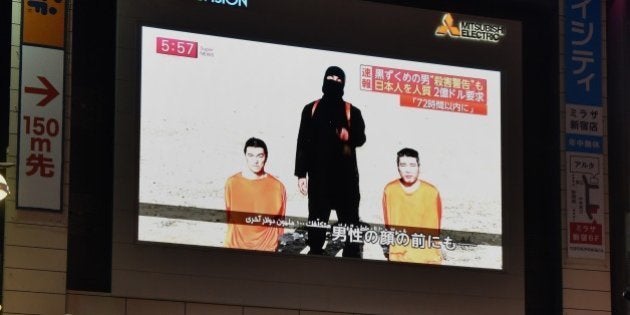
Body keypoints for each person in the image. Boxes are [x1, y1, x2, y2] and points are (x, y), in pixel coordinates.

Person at [294, 66, 366, 257]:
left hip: (346, 179)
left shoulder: (352, 111)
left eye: (338, 79)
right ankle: (316, 254)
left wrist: (348, 135)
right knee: (317, 222)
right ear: (324, 80)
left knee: (350, 222)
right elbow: (303, 142)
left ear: (343, 83)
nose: (333, 81)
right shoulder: (310, 109)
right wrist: (301, 174)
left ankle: (351, 259)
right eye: (330, 77)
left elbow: (361, 138)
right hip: (319, 178)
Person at [224, 137, 286, 252]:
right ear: (245, 156)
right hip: (235, 247)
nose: (255, 161)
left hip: (267, 249)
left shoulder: (278, 187)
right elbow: (229, 215)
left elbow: (280, 224)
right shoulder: (232, 183)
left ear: (266, 157)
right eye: (250, 155)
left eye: (260, 156)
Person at [382, 148, 442, 264]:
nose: (408, 170)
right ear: (398, 167)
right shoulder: (390, 190)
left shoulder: (431, 192)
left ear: (419, 166)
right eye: (403, 165)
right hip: (398, 257)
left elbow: (436, 230)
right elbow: (388, 224)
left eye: (412, 165)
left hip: (427, 259)